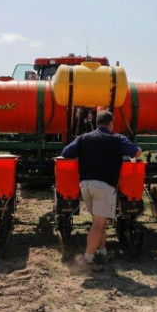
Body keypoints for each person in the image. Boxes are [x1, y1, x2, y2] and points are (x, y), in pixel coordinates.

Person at [61, 110, 141, 271]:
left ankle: (103, 252)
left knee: (98, 221)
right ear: (111, 124)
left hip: (85, 186)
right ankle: (88, 260)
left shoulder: (84, 138)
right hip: (104, 187)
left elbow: (65, 153)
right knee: (98, 223)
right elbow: (137, 152)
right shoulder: (117, 139)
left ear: (97, 123)